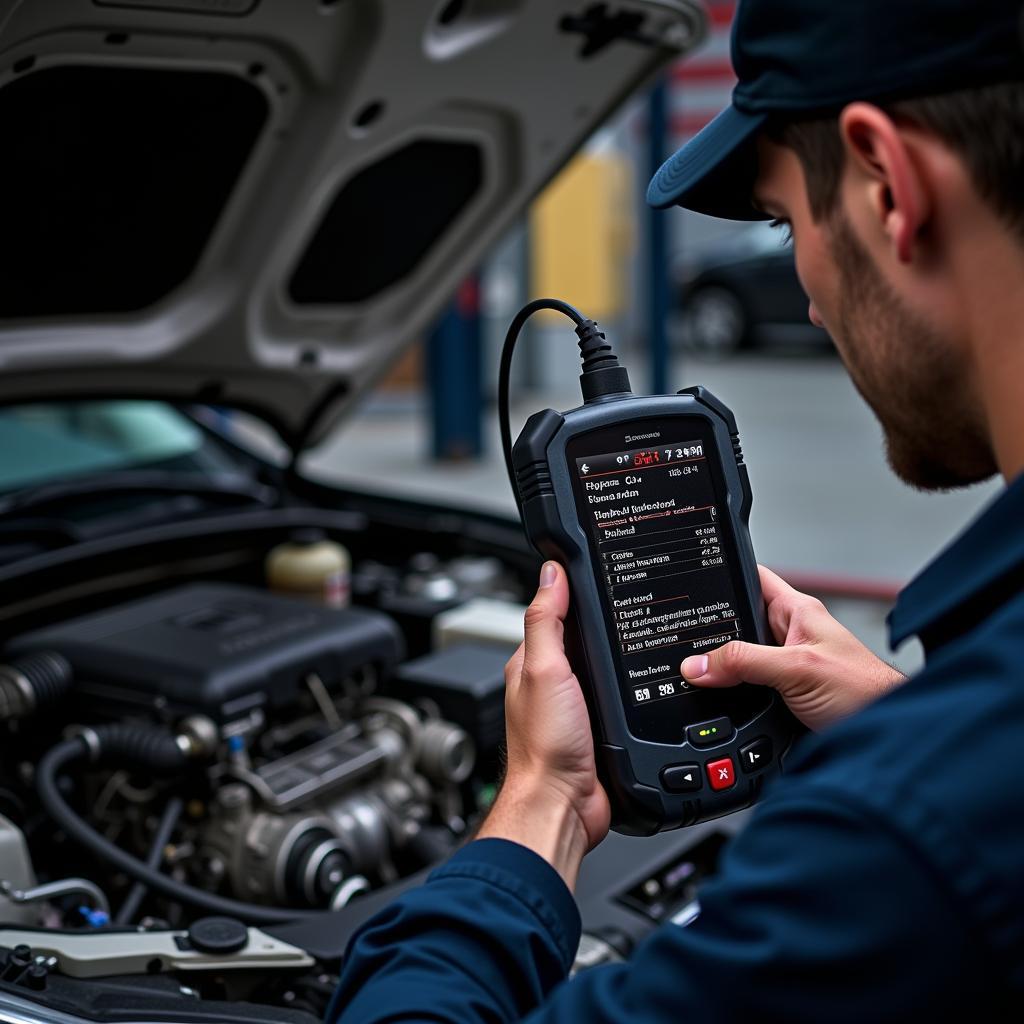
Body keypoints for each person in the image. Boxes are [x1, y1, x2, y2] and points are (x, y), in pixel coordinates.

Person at [329, 0, 1024, 1018]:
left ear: (887, 184)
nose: (812, 297)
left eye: (787, 222)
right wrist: (901, 720)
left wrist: (538, 808)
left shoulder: (903, 846)